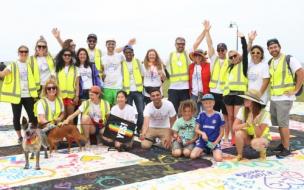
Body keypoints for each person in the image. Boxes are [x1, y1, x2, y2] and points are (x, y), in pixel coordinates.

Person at [267, 38, 304, 157]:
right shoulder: (271, 62)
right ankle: (283, 144)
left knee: (283, 124)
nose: (273, 49)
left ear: (279, 47)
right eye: (271, 48)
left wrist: (296, 89)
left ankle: (286, 148)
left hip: (285, 98)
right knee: (279, 123)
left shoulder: (289, 59)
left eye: (275, 47)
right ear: (268, 50)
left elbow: (300, 72)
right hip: (275, 98)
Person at [0, 45, 38, 144]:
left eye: (25, 52)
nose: (23, 53)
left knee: (33, 116)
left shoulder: (29, 65)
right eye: (21, 52)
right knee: (16, 117)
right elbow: (2, 74)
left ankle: (33, 135)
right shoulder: (12, 65)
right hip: (16, 96)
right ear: (18, 53)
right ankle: (20, 137)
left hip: (28, 95)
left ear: (27, 53)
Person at [203, 20, 229, 142]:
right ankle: (215, 135)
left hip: (224, 93)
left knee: (225, 116)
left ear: (226, 51)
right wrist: (207, 31)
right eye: (219, 50)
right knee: (214, 115)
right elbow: (210, 45)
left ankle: (226, 137)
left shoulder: (230, 61)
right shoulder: (214, 59)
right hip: (214, 92)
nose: (220, 52)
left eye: (222, 50)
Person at [222, 32, 248, 145]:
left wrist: (243, 38)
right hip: (228, 95)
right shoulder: (229, 67)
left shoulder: (243, 65)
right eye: (231, 57)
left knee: (238, 118)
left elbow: (245, 51)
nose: (233, 58)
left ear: (238, 56)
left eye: (235, 55)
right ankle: (233, 138)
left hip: (239, 95)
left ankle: (238, 137)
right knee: (230, 117)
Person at [233, 90, 272, 161]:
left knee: (255, 142)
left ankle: (262, 153)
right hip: (250, 137)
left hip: (261, 138)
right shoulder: (243, 110)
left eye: (247, 99)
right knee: (238, 133)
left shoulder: (265, 114)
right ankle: (239, 155)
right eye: (244, 98)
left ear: (253, 102)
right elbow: (234, 127)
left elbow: (259, 134)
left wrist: (255, 123)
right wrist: (246, 124)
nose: (244, 100)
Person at [190, 94, 225, 162]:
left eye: (210, 102)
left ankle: (213, 150)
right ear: (203, 104)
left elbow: (222, 133)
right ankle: (205, 150)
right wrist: (202, 133)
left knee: (218, 159)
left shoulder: (219, 115)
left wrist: (215, 143)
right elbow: (196, 129)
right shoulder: (201, 114)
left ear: (213, 103)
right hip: (203, 142)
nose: (208, 105)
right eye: (206, 103)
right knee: (193, 156)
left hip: (214, 141)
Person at [121, 45, 144, 133]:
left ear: (133, 53)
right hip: (127, 92)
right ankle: (129, 131)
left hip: (138, 91)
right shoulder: (122, 63)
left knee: (141, 112)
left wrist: (142, 87)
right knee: (129, 113)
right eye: (126, 52)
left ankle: (139, 129)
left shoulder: (138, 62)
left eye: (130, 52)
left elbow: (142, 75)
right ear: (124, 54)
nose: (128, 54)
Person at [166, 37, 191, 112]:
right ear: (175, 44)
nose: (181, 45)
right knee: (173, 112)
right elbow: (160, 63)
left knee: (186, 111)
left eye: (183, 44)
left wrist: (205, 31)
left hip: (185, 89)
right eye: (179, 44)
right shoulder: (170, 55)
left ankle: (185, 124)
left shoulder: (188, 53)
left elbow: (197, 42)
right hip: (173, 89)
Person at [55, 49, 80, 119]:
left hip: (71, 97)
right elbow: (55, 83)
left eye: (69, 55)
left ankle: (70, 130)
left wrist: (77, 96)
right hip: (60, 97)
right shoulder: (57, 68)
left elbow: (77, 84)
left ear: (71, 56)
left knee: (70, 118)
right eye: (65, 55)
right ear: (62, 56)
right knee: (61, 117)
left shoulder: (76, 69)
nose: (67, 57)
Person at [246, 31, 270, 105]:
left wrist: (259, 95)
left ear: (261, 55)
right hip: (250, 97)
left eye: (258, 53)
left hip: (260, 98)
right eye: (253, 52)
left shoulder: (264, 66)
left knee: (258, 116)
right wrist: (250, 41)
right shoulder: (249, 65)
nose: (255, 54)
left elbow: (266, 81)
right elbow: (244, 54)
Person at [102, 38, 125, 106]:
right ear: (106, 45)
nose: (111, 46)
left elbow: (124, 69)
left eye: (113, 44)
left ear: (115, 45)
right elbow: (102, 71)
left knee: (117, 109)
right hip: (106, 87)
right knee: (107, 109)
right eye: (109, 44)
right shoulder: (102, 58)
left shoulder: (120, 56)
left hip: (118, 87)